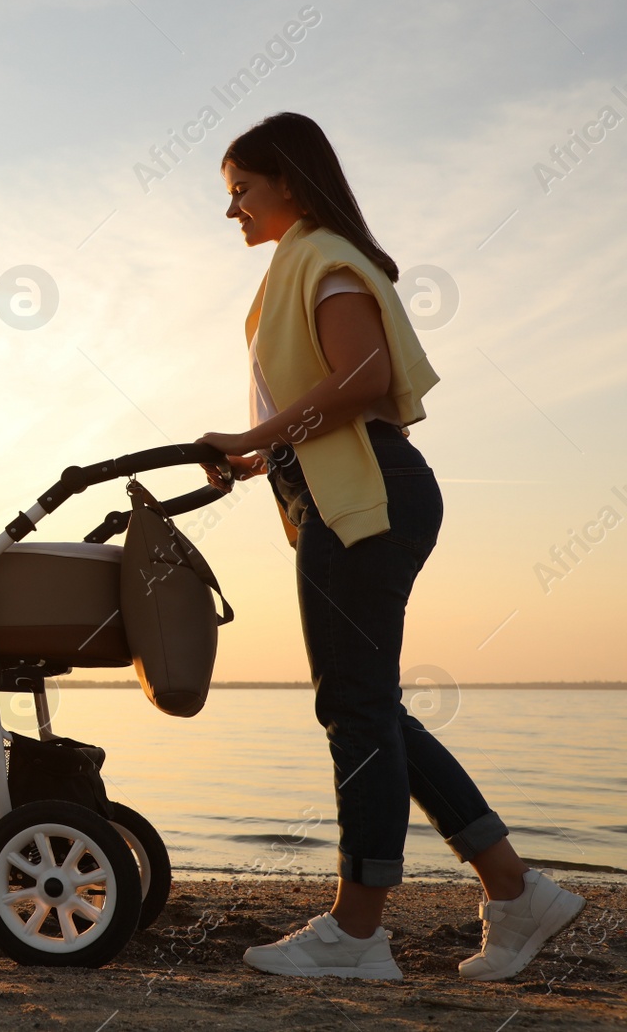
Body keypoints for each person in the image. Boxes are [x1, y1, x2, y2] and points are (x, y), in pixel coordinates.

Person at [194, 112, 585, 981]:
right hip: (358, 491)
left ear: (287, 181)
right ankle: (516, 890)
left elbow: (363, 379)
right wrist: (262, 455)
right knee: (372, 708)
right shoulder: (309, 264)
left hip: (369, 499)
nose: (233, 212)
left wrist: (254, 431)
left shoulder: (325, 259)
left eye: (240, 191)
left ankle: (359, 930)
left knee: (358, 711)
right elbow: (337, 404)